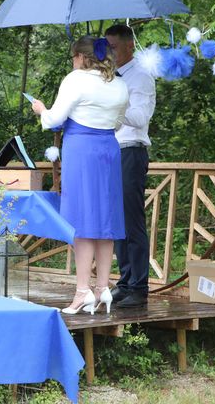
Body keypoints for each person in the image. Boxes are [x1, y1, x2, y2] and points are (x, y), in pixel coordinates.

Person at [32, 36, 128, 315]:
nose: (73, 62)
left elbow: (53, 119)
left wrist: (41, 109)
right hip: (108, 148)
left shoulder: (75, 80)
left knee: (82, 221)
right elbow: (119, 122)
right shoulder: (120, 84)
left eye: (74, 57)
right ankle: (103, 288)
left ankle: (82, 291)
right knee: (105, 219)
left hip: (82, 150)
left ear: (83, 58)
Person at [105, 24, 156, 308]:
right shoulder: (109, 78)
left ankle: (139, 286)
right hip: (110, 152)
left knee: (132, 220)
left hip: (131, 151)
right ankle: (125, 281)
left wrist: (116, 103)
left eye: (113, 47)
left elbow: (139, 117)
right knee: (116, 222)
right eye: (106, 47)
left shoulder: (141, 77)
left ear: (128, 47)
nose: (109, 52)